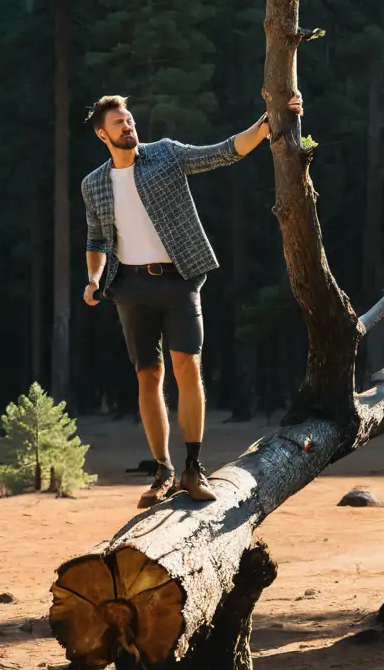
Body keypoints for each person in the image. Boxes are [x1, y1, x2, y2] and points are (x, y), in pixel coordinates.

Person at [81, 92, 303, 508]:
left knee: (187, 366)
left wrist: (265, 125)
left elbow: (222, 153)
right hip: (129, 288)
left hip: (179, 280)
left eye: (129, 119)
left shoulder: (166, 155)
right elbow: (95, 239)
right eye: (118, 123)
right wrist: (94, 279)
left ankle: (193, 467)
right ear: (102, 134)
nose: (128, 126)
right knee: (148, 377)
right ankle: (163, 470)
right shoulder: (93, 184)